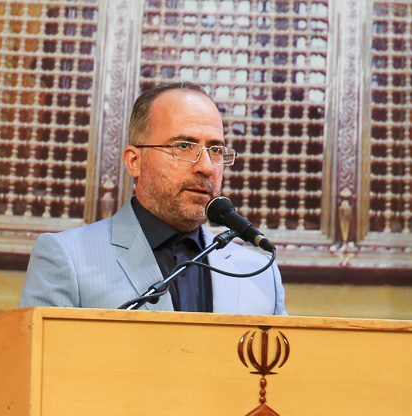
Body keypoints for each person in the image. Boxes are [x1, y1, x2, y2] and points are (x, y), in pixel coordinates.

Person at [19, 82, 287, 315]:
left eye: (215, 149)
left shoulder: (258, 271)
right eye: (184, 146)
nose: (206, 167)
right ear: (134, 161)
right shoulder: (67, 258)